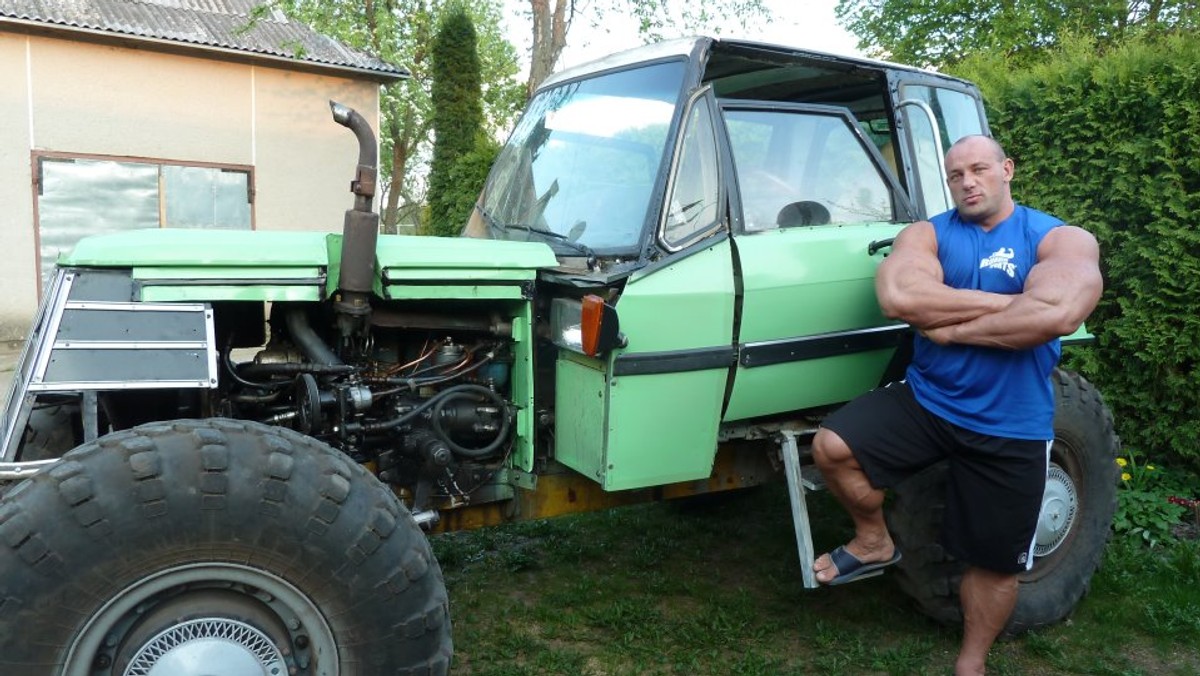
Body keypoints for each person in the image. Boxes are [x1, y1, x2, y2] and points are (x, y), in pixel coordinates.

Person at [809, 135, 1103, 675]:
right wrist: (1015, 306)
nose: (968, 182)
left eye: (979, 170)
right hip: (930, 402)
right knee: (832, 447)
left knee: (995, 565)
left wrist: (949, 329)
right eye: (955, 175)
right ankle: (874, 541)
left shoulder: (1057, 237)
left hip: (1012, 424)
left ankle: (972, 662)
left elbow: (1058, 312)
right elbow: (901, 297)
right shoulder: (928, 233)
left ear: (1007, 169)